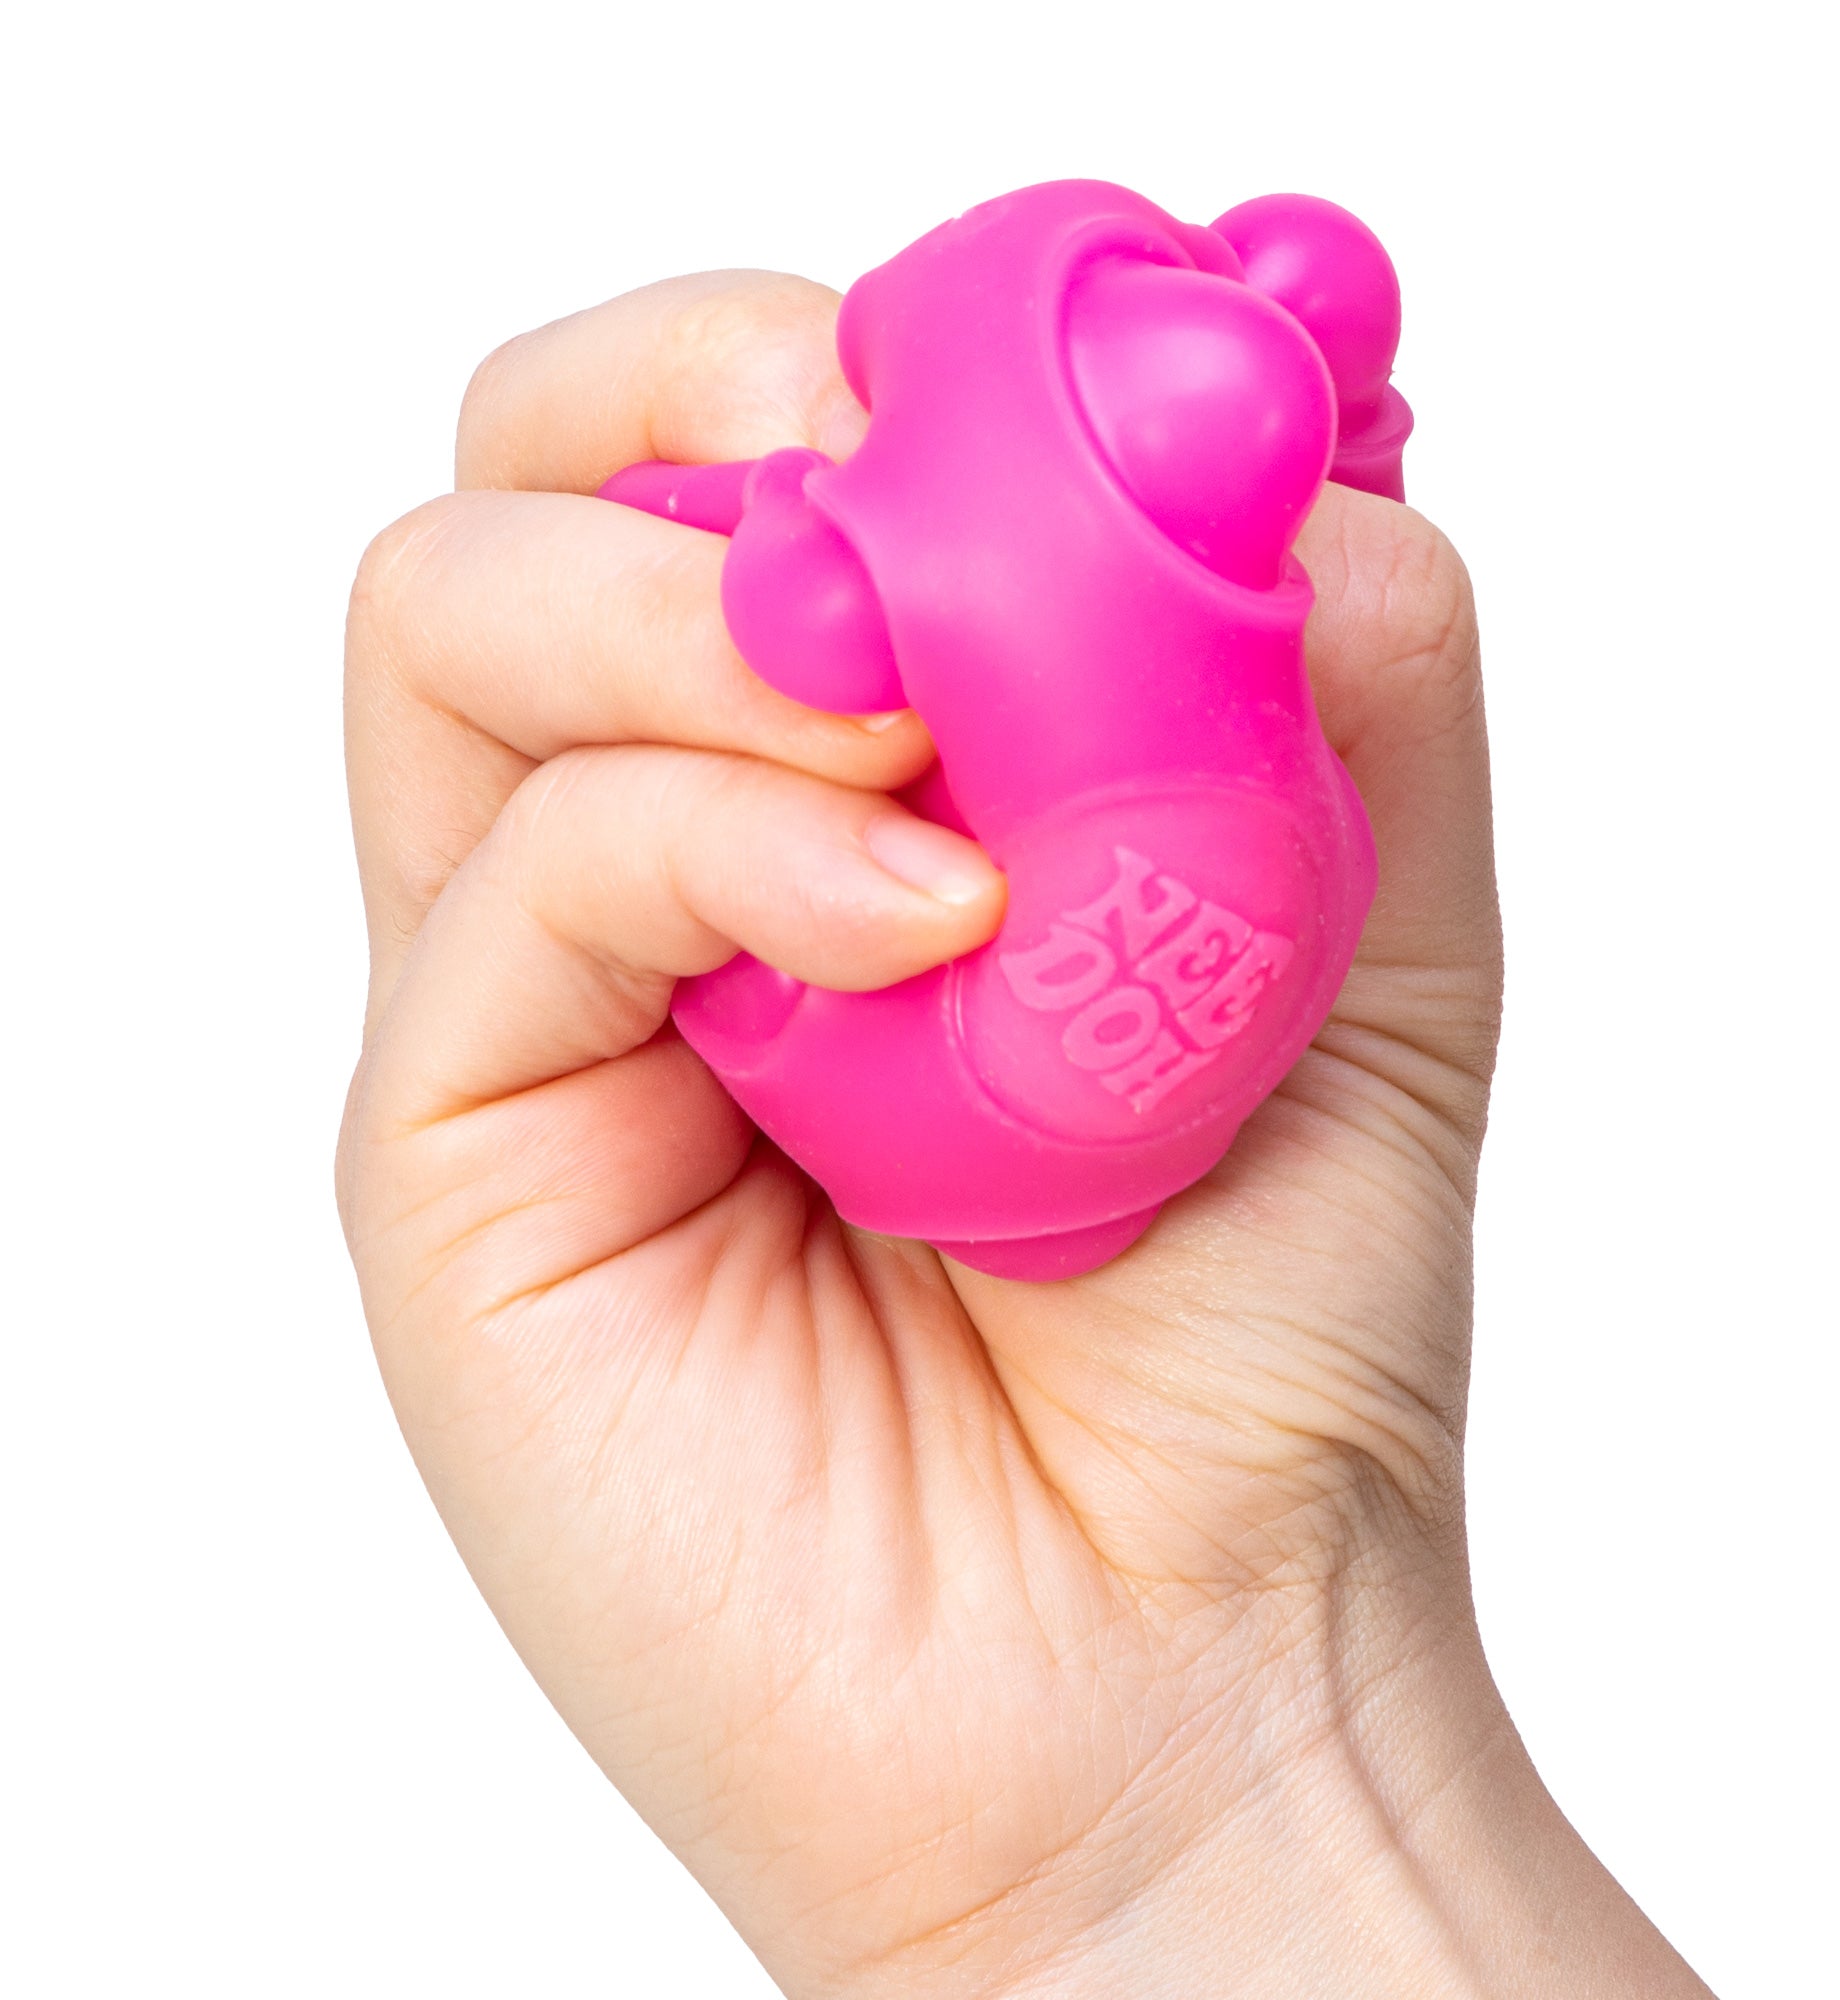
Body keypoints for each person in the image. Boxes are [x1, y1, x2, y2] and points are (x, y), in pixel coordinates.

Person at [337, 269, 1713, 1997]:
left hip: (963, 1086)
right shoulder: (1135, 582)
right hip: (1032, 1085)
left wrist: (1204, 1808)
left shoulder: (925, 555)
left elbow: (816, 619)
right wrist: (1151, 1863)